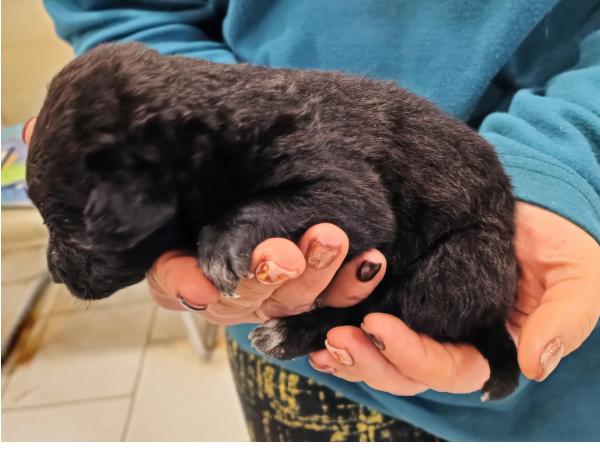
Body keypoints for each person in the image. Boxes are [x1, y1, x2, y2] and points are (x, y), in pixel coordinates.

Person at [25, 0, 599, 441]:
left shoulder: (281, 142)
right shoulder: (202, 148)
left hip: (498, 284)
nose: (67, 266)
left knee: (434, 287)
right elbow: (122, 11)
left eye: (87, 236)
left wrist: (561, 164)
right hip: (293, 347)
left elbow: (359, 211)